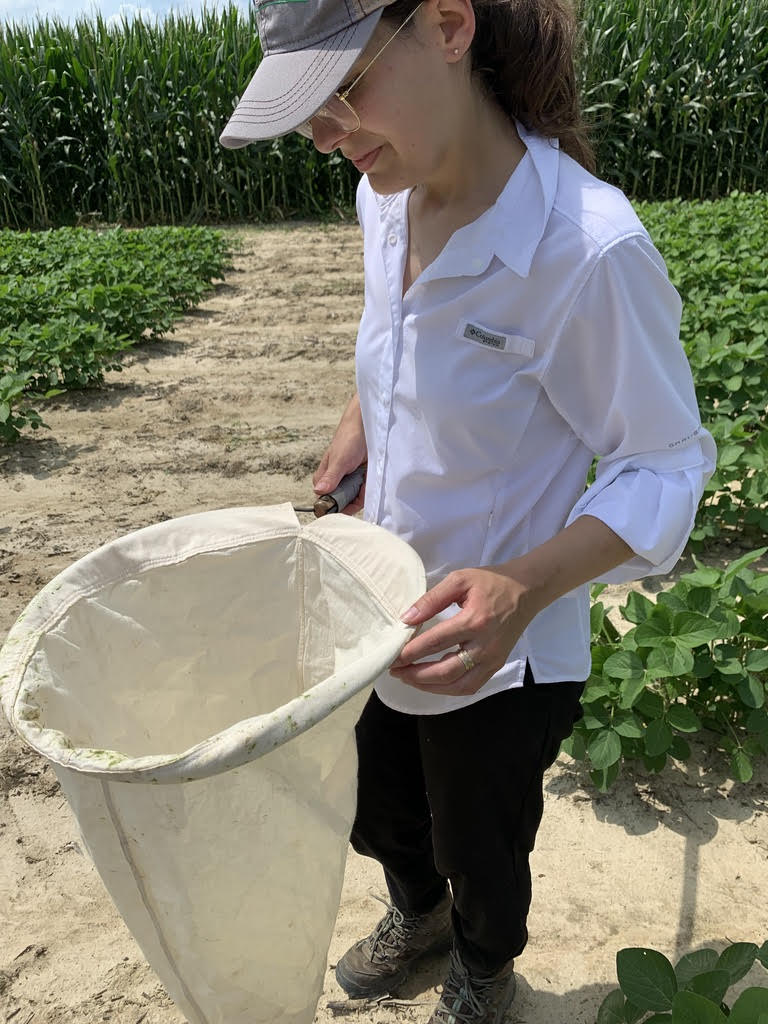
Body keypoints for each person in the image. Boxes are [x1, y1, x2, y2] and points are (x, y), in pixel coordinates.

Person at [220, 2, 716, 1021]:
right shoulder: (384, 197)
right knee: (379, 810)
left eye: (341, 92)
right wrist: (358, 426)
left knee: (480, 843)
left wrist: (521, 588)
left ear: (448, 26)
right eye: (306, 110)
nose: (323, 134)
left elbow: (666, 462)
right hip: (376, 605)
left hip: (497, 648)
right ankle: (419, 913)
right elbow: (394, 337)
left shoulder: (585, 251)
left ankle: (483, 962)